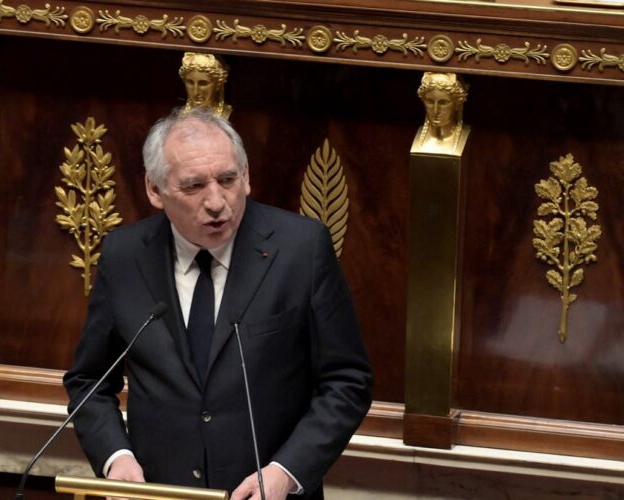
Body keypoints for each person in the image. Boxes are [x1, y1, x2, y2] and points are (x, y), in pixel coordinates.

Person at [64, 108, 372, 499]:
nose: (216, 202)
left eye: (227, 180)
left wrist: (286, 471)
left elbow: (347, 381)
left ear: (245, 178)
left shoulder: (301, 250)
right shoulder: (125, 256)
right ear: (154, 190)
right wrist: (116, 457)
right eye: (193, 186)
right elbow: (89, 379)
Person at [414, 72, 468, 154]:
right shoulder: (416, 138)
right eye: (430, 102)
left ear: (457, 104)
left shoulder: (465, 136)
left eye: (443, 103)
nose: (435, 111)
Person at [179, 52, 233, 119]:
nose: (196, 92)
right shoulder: (180, 114)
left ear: (218, 84)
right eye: (190, 82)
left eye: (203, 84)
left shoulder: (226, 113)